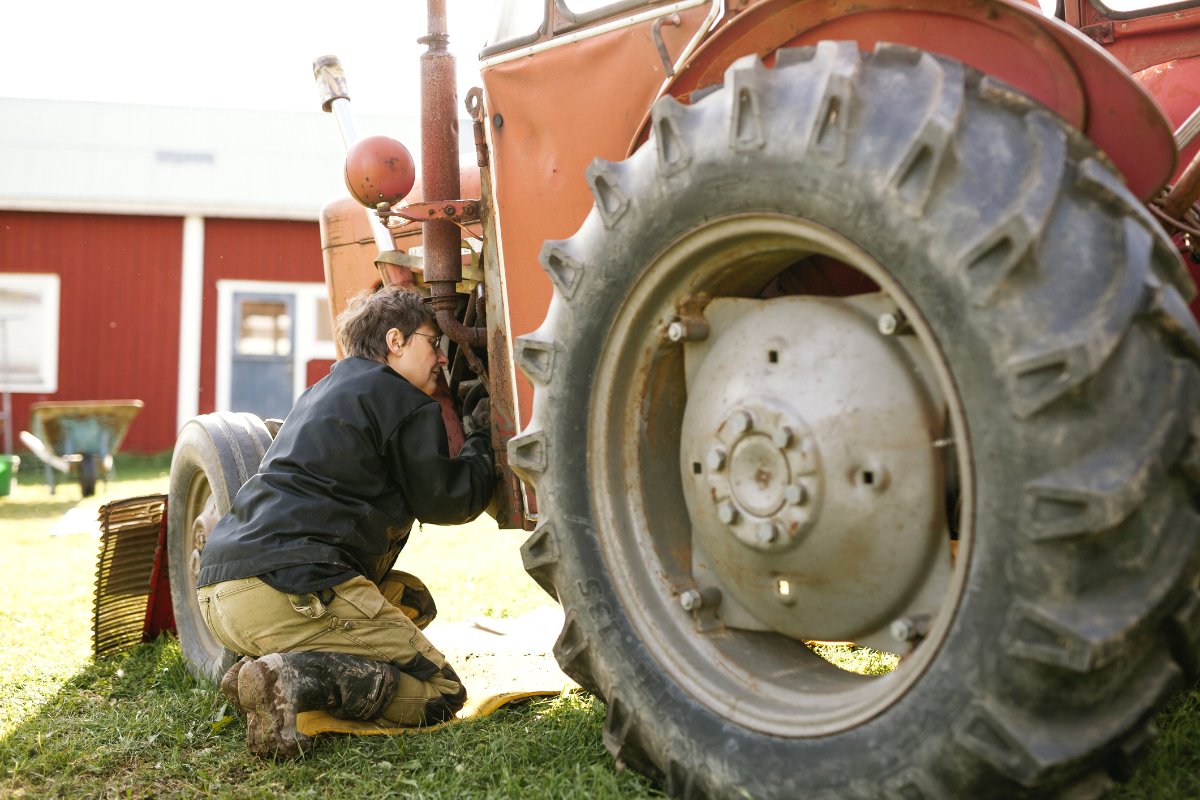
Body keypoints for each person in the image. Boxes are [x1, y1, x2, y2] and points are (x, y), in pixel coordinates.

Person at [195, 286, 494, 759]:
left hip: (217, 594)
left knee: (411, 600)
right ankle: (292, 680)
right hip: (288, 588)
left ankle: (266, 671)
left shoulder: (320, 392)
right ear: (395, 341)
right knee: (440, 692)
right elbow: (446, 501)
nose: (440, 358)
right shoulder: (402, 398)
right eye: (432, 342)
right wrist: (482, 438)